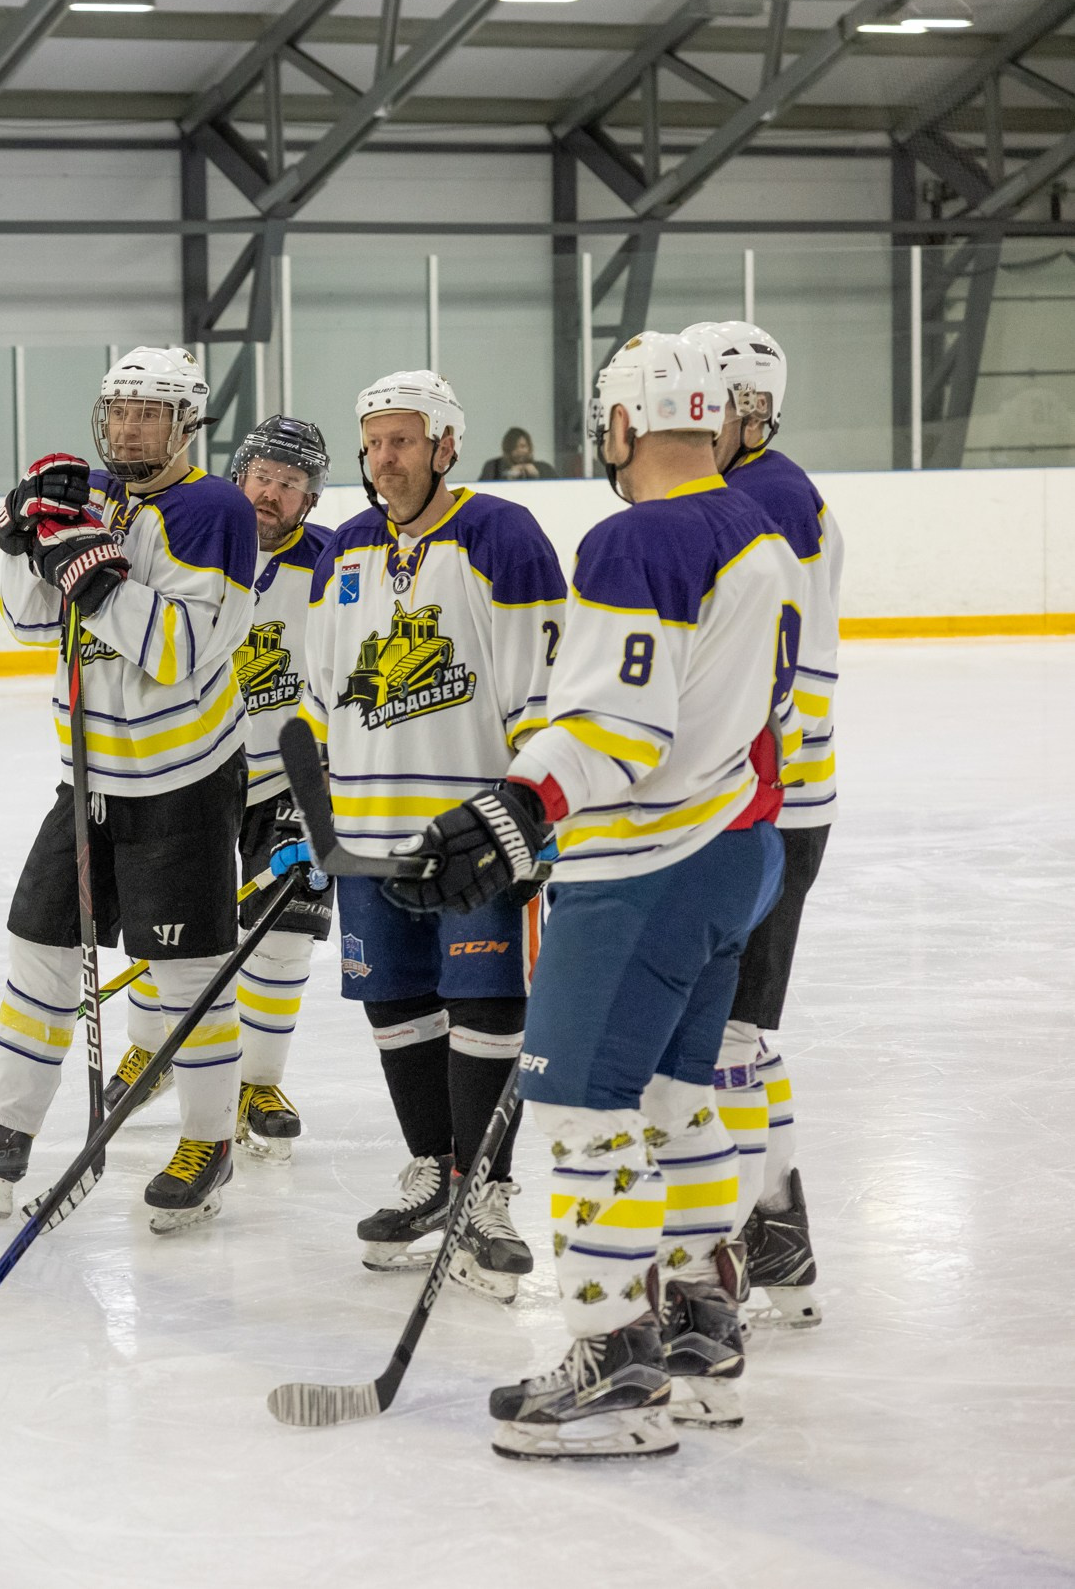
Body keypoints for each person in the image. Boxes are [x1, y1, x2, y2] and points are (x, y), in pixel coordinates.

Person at [384, 330, 802, 1459]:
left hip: (645, 867)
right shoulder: (759, 529)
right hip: (733, 849)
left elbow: (621, 720)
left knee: (582, 1110)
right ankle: (702, 1328)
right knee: (675, 1094)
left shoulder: (634, 538)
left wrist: (519, 806)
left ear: (623, 423)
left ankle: (615, 1361)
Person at [0, 346, 258, 1233]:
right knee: (39, 944)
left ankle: (209, 1143)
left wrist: (87, 572)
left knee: (186, 973)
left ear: (186, 421)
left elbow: (174, 652)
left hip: (183, 783)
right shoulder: (96, 498)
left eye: (149, 411)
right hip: (85, 778)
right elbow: (24, 620)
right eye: (119, 410)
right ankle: (5, 1133)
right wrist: (27, 540)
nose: (128, 426)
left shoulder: (213, 510)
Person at [300, 370, 567, 1301]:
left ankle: (483, 1192)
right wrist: (311, 822)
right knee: (398, 1001)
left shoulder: (502, 537)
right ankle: (429, 1174)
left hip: (474, 836)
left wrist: (530, 819)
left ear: (448, 443)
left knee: (487, 1004)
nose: (385, 459)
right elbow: (316, 692)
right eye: (373, 442)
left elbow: (545, 693)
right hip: (369, 834)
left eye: (403, 440)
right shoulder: (347, 547)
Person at [103, 413, 334, 1164]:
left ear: (310, 498)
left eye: (291, 484)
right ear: (239, 475)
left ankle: (257, 1082)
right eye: (264, 476)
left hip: (285, 777)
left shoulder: (331, 564)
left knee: (285, 932)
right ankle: (153, 1048)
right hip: (193, 763)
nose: (273, 494)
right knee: (170, 924)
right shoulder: (192, 533)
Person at [685, 318, 839, 1328]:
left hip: (766, 803)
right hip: (769, 795)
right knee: (735, 1025)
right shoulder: (762, 488)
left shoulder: (766, 499)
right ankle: (775, 1223)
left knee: (727, 1028)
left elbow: (773, 679)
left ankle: (756, 1228)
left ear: (749, 408)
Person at [479, 427, 549, 482]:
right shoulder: (494, 467)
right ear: (507, 449)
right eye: (514, 447)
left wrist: (538, 476)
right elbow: (482, 492)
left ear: (529, 447)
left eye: (523, 446)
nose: (519, 451)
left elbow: (557, 487)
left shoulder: (543, 467)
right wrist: (507, 477)